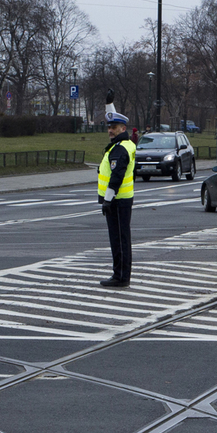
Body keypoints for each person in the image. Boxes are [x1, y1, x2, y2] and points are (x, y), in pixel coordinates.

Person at [98, 91, 136, 288]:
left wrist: (108, 199)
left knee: (119, 240)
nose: (110, 130)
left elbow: (116, 176)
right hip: (120, 200)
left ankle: (121, 277)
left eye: (114, 128)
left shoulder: (120, 149)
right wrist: (109, 104)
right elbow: (111, 117)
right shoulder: (122, 145)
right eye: (109, 127)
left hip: (118, 201)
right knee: (119, 238)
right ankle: (120, 274)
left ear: (123, 128)